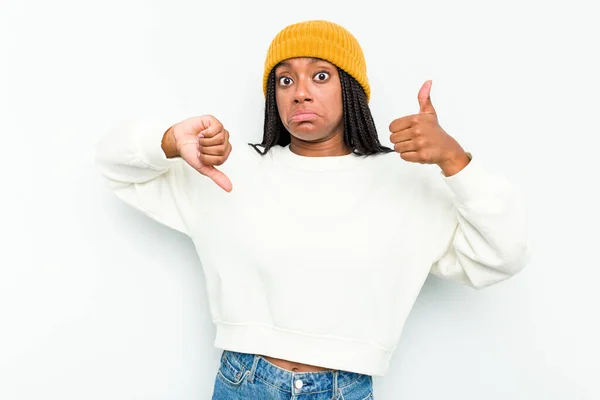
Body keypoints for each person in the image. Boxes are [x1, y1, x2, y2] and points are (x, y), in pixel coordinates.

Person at [95, 19, 530, 400]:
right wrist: (169, 140)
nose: (301, 93)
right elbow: (112, 164)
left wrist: (455, 161)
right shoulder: (229, 171)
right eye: (285, 80)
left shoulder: (408, 180)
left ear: (352, 89)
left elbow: (502, 257)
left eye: (320, 76)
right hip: (243, 383)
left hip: (347, 388)